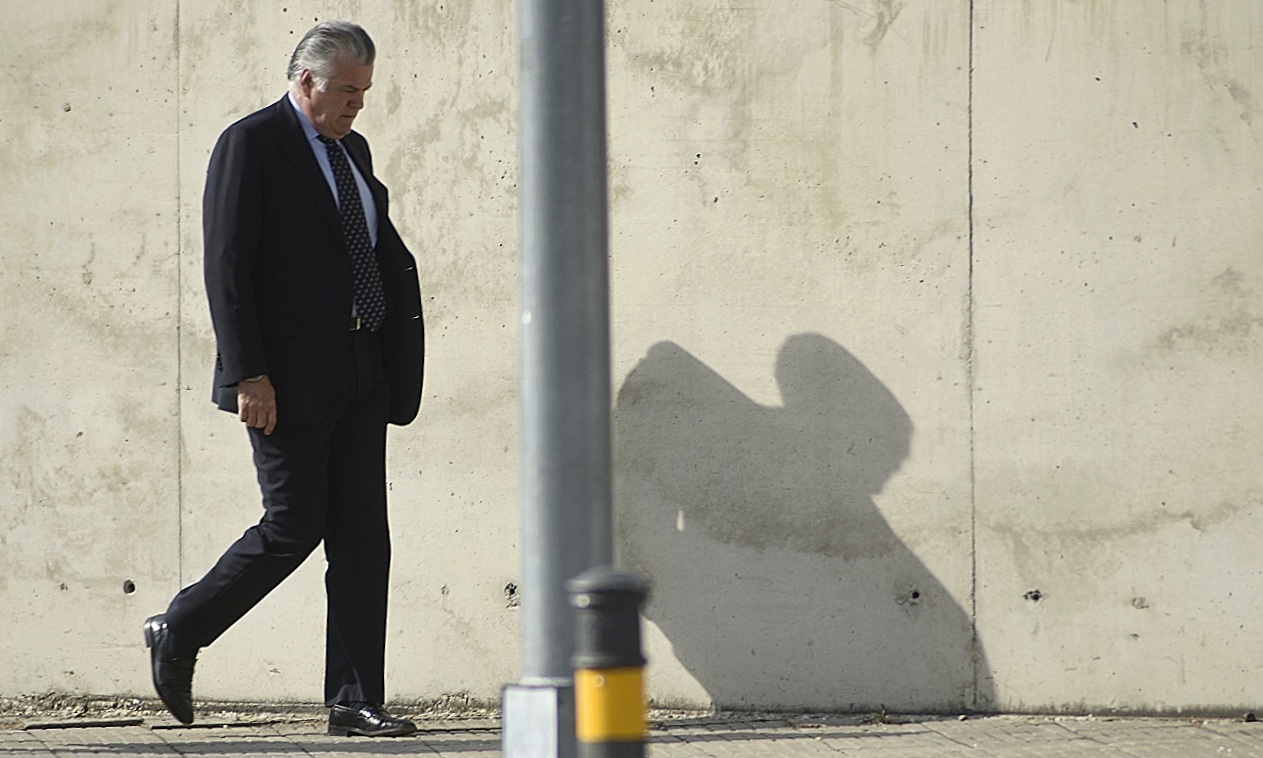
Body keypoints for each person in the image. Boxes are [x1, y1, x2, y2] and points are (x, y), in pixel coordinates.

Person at [143, 20, 425, 738]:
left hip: (363, 369)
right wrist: (248, 373)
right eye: (347, 91)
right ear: (306, 81)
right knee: (292, 526)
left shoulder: (351, 150)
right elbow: (227, 268)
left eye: (365, 91)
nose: (358, 104)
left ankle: (353, 698)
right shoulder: (252, 143)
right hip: (285, 380)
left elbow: (366, 251)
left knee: (364, 540)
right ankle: (180, 627)